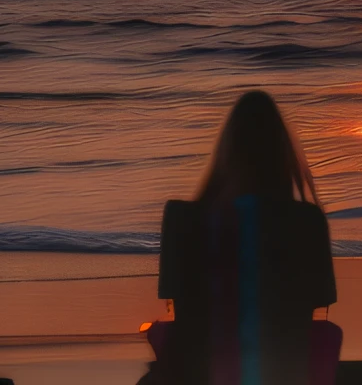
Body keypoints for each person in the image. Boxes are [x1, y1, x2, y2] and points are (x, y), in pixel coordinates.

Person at [141, 91, 337, 385]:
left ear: (226, 151)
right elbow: (312, 312)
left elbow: (183, 316)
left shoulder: (184, 219)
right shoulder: (307, 222)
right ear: (282, 154)